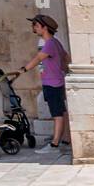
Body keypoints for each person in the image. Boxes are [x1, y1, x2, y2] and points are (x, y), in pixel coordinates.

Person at [21, 14, 70, 154]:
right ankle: (65, 139)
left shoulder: (49, 44)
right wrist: (63, 69)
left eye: (36, 26)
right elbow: (65, 56)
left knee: (57, 114)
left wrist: (23, 69)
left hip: (53, 83)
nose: (33, 28)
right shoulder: (55, 42)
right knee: (62, 111)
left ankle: (54, 145)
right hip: (55, 81)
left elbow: (38, 58)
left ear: (44, 27)